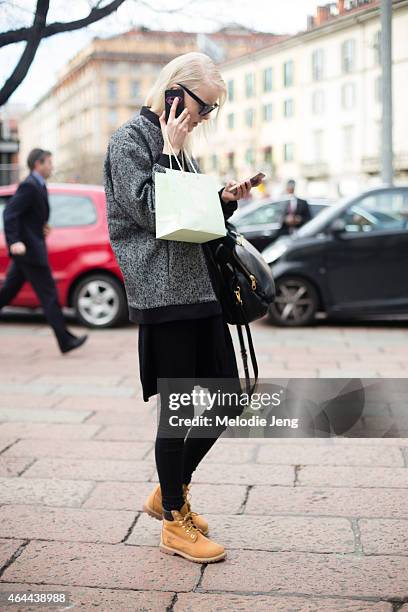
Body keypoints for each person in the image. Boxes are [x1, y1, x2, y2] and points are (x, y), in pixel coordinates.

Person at [104, 52, 253, 564]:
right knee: (177, 412)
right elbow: (152, 211)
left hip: (200, 290)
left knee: (229, 398)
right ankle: (174, 520)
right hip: (163, 293)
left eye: (211, 111)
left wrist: (225, 200)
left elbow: (192, 217)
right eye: (203, 106)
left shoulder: (178, 145)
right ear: (175, 91)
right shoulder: (129, 142)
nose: (203, 118)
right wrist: (170, 152)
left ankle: (170, 489)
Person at [0, 148, 88, 354]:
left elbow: (26, 215)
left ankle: (65, 339)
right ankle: (65, 341)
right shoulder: (29, 186)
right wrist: (14, 241)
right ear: (38, 164)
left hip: (30, 250)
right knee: (49, 296)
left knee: (7, 293)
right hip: (30, 252)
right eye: (49, 162)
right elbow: (10, 213)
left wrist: (40, 225)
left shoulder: (38, 185)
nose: (52, 166)